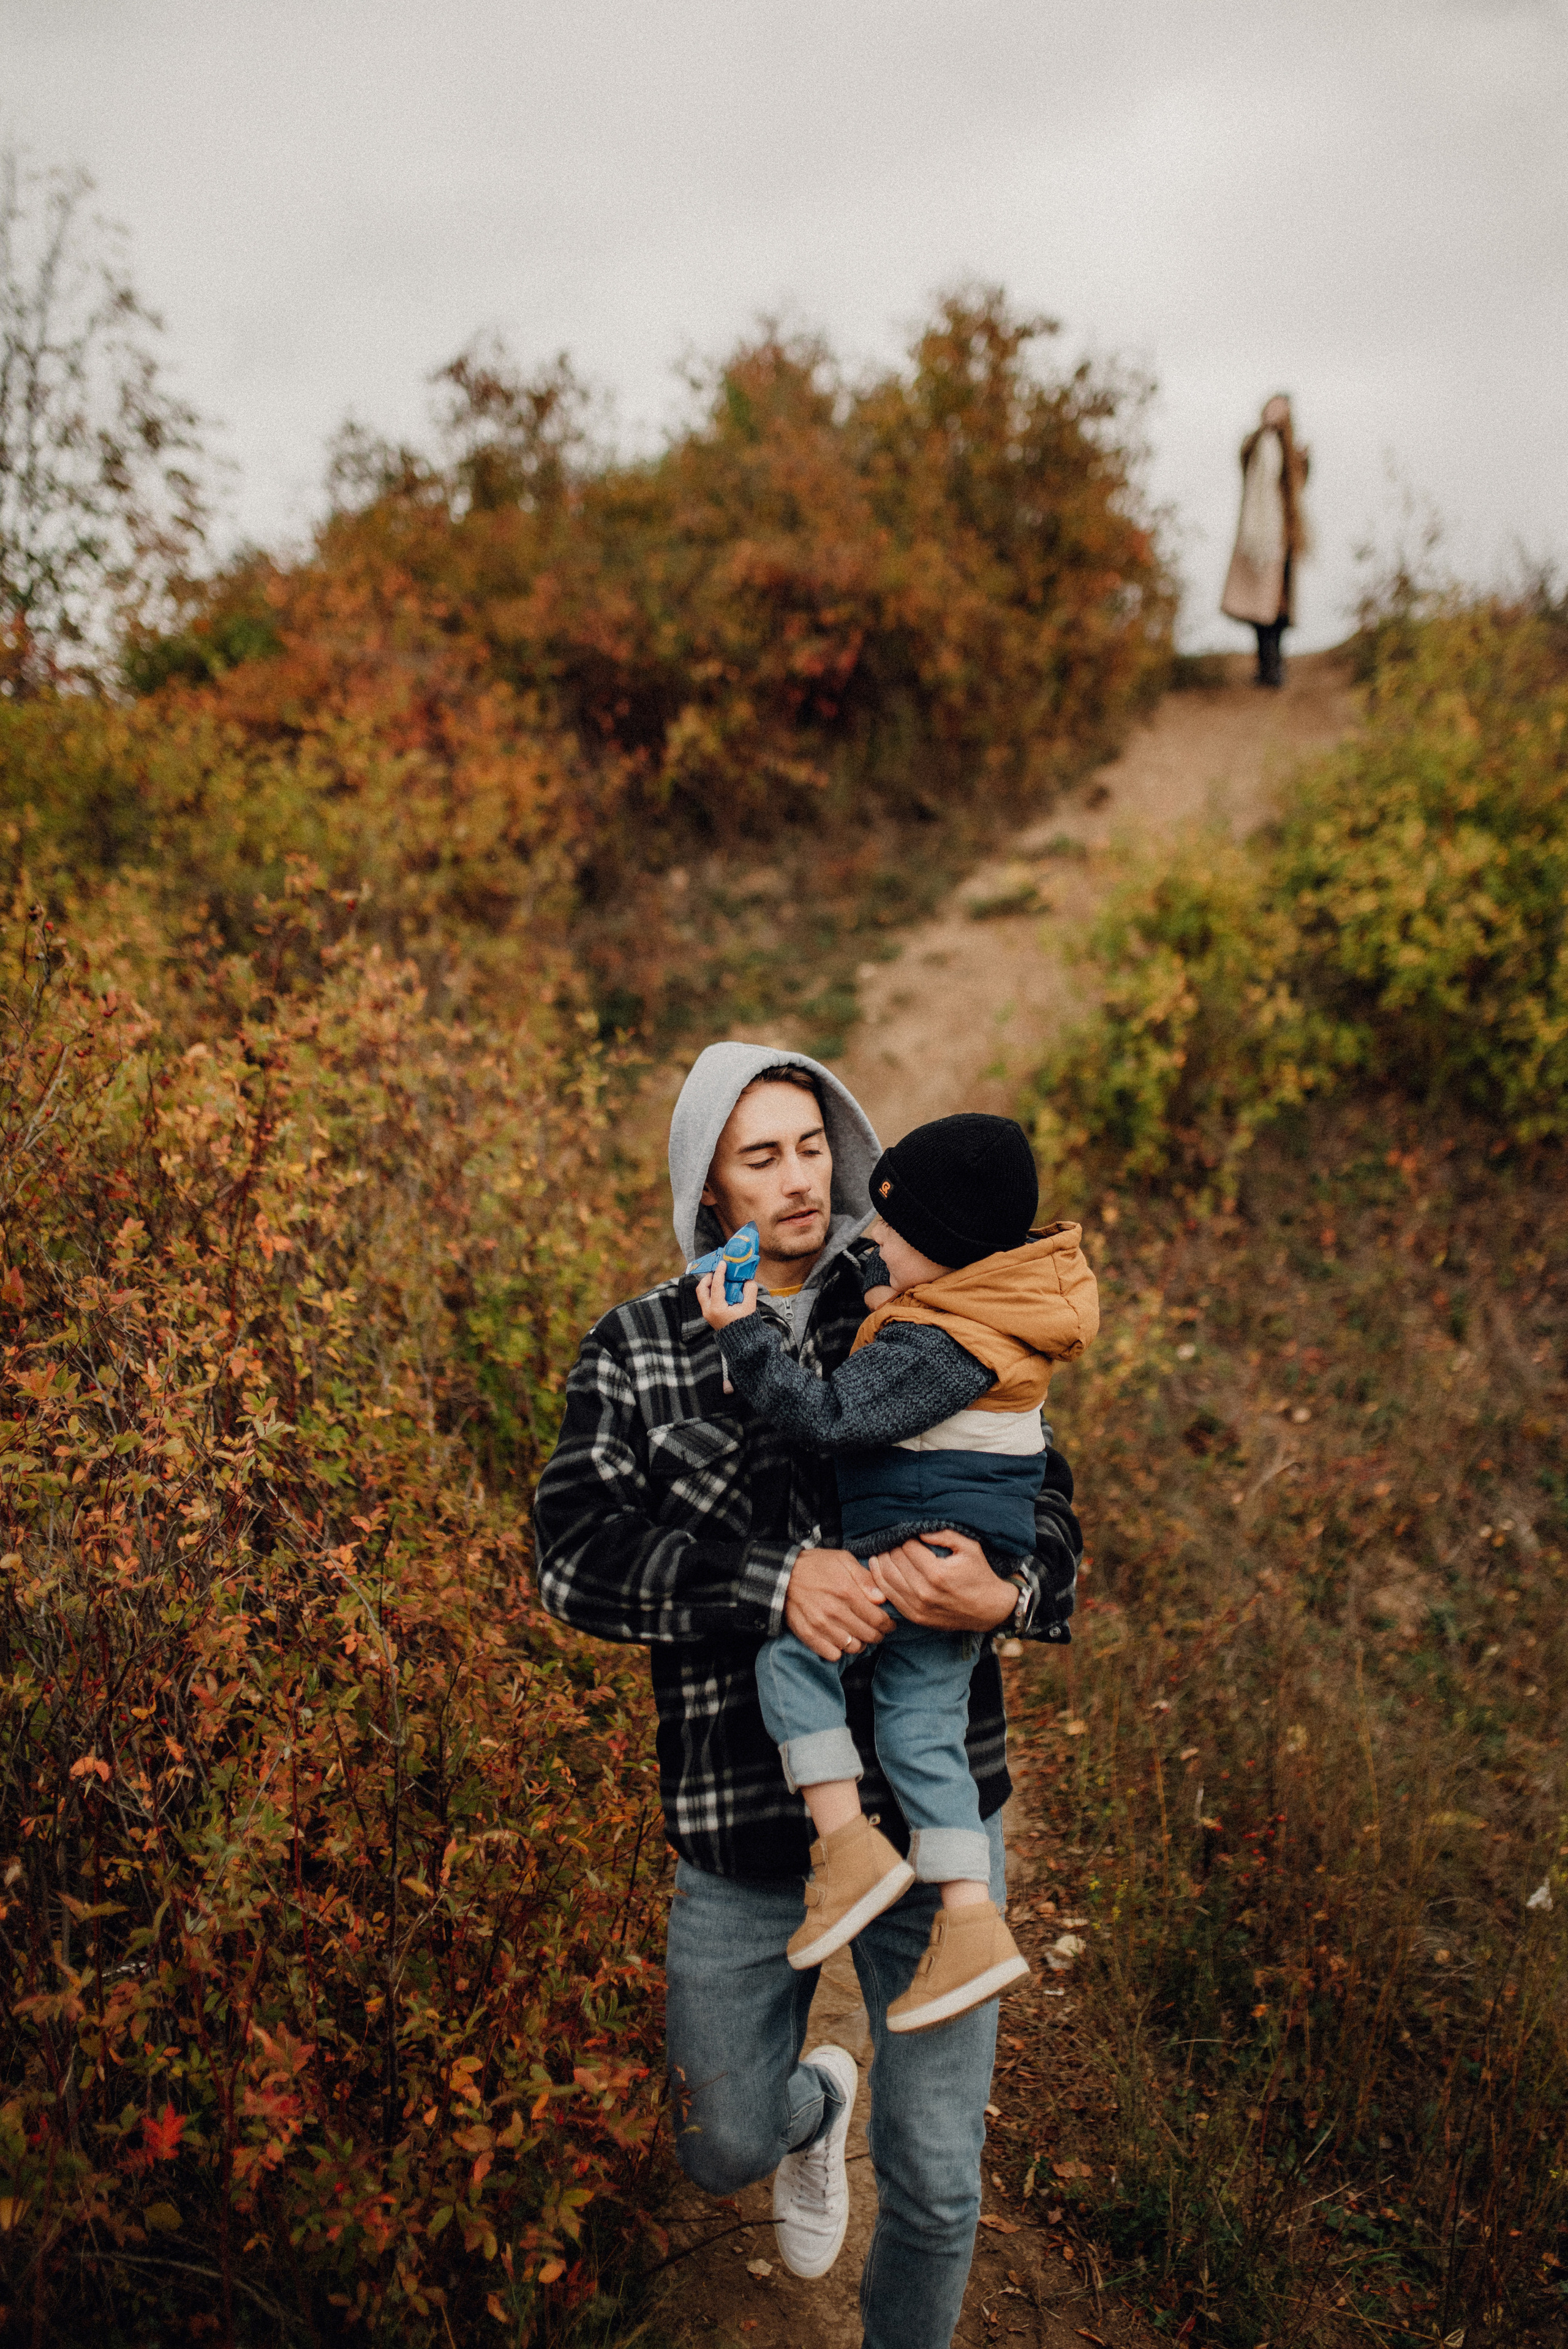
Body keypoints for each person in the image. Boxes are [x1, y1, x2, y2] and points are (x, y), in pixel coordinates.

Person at [532, 1045, 1083, 2349]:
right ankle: (808, 2111)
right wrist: (772, 1583)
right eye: (758, 1156)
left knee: (941, 2181)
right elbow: (568, 1560)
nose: (796, 1180)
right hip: (737, 1808)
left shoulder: (918, 1291)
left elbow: (1043, 1505)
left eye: (811, 1146)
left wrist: (1005, 1598)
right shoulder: (639, 1350)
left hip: (932, 1798)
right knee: (719, 2141)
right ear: (709, 1190)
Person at [693, 1112, 1097, 2036]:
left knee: (791, 1657)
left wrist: (744, 1333)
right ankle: (970, 1917)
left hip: (918, 1532)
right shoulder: (989, 1301)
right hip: (959, 1540)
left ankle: (848, 1848)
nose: (867, 1239)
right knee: (922, 1731)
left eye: (891, 1229)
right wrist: (877, 1279)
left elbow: (831, 1417)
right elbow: (905, 1281)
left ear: (945, 1250)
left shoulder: (939, 1346)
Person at [1221, 392, 1311, 686]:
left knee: (1277, 607)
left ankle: (1274, 668)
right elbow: (1246, 465)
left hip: (1281, 538)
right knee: (1260, 607)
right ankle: (1268, 667)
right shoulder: (1255, 445)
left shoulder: (1291, 452)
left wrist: (1305, 462)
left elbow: (1297, 488)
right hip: (1257, 536)